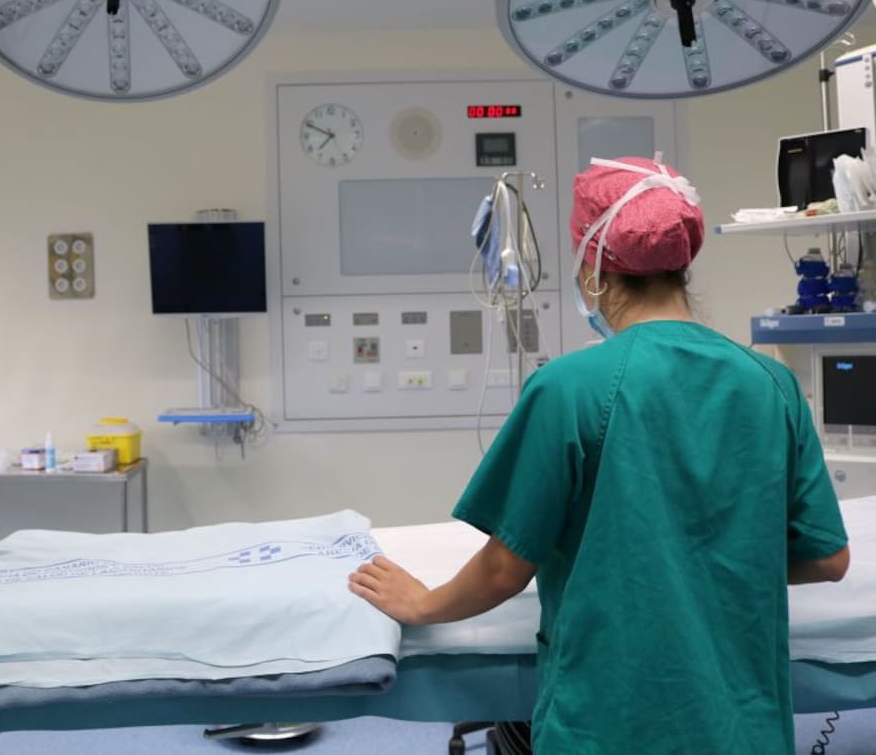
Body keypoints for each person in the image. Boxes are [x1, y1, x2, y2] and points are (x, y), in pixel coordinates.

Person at [350, 157, 851, 754]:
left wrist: (424, 603)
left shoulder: (569, 388)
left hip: (608, 724)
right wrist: (716, 557)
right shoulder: (771, 384)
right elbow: (828, 558)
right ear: (683, 261)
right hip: (744, 729)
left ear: (592, 267)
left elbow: (505, 569)